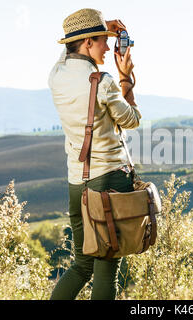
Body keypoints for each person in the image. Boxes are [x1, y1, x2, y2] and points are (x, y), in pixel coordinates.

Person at [48, 8, 141, 300]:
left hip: (78, 183)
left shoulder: (56, 76)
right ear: (87, 42)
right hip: (110, 183)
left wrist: (102, 26)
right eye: (103, 40)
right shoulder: (103, 82)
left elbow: (67, 54)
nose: (108, 46)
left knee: (81, 266)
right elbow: (132, 120)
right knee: (106, 267)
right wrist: (126, 77)